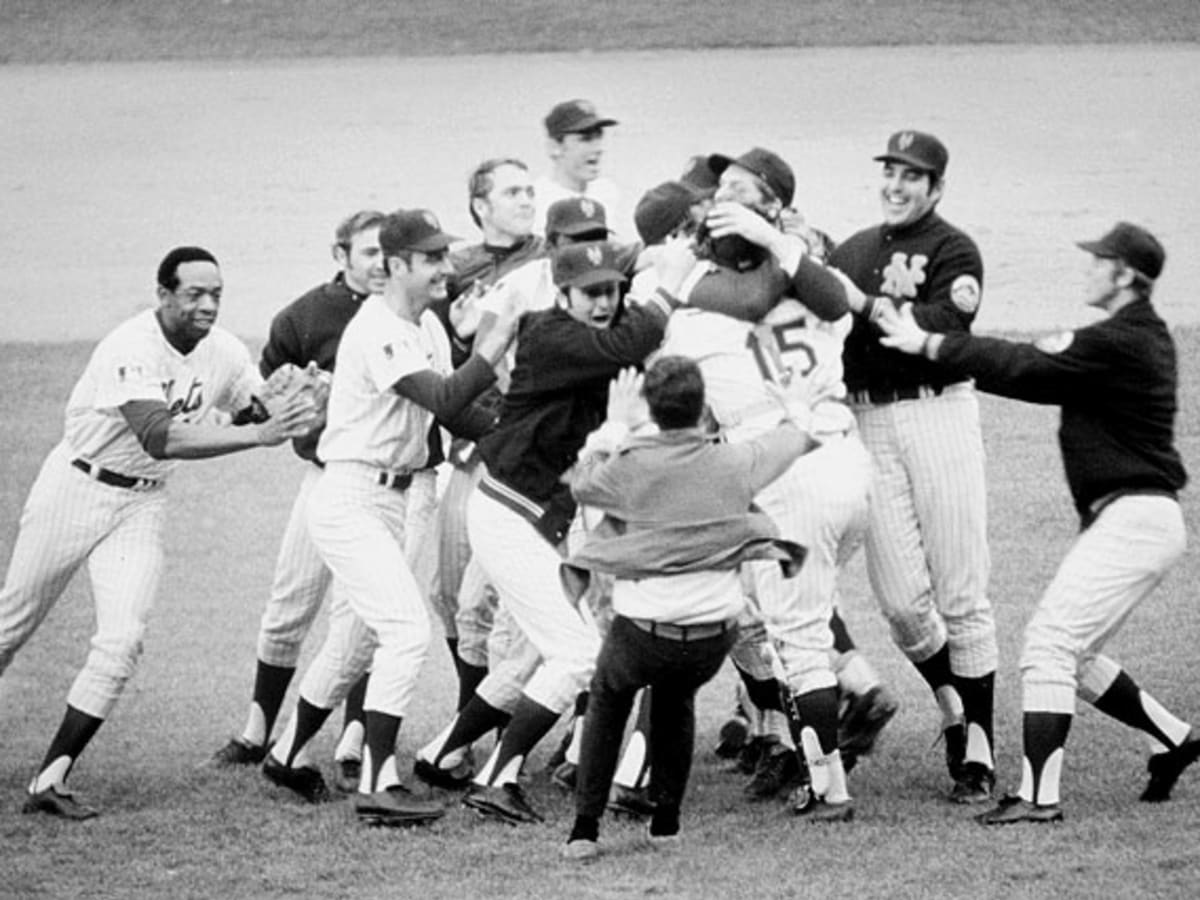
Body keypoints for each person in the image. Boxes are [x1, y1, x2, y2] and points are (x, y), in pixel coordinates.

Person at [877, 221, 1200, 824]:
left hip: (1134, 518)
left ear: (1124, 273)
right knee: (1072, 654)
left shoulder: (1119, 339)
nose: (1087, 268)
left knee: (1048, 645)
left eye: (1098, 260)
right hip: (1137, 519)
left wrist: (929, 344)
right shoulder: (1135, 340)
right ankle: (1174, 739)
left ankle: (1039, 798)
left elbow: (1024, 363)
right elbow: (1031, 376)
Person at [2, 246, 321, 819]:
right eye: (195, 293)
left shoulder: (223, 351)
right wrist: (261, 434)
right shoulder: (132, 347)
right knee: (11, 625)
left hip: (141, 505)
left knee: (122, 641)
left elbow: (252, 405)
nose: (208, 304)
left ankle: (50, 780)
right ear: (164, 294)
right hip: (75, 490)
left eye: (216, 294)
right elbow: (159, 437)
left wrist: (296, 396)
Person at [654, 149, 893, 815]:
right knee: (775, 616)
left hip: (786, 474)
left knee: (797, 640)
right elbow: (826, 292)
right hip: (843, 460)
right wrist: (778, 241)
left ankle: (828, 788)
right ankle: (840, 707)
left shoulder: (703, 311)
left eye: (740, 191)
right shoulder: (813, 286)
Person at [261, 209, 516, 827]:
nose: (445, 268)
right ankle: (380, 781)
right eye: (431, 259)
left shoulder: (423, 322)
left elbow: (454, 417)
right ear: (397, 266)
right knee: (405, 631)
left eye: (443, 256)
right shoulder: (377, 327)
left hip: (396, 497)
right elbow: (446, 396)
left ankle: (287, 753)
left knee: (359, 636)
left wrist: (519, 435)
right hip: (351, 495)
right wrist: (490, 348)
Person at [415, 240, 678, 825]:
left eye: (612, 289)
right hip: (507, 514)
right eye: (592, 293)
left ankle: (446, 753)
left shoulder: (586, 346)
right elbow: (635, 340)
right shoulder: (550, 335)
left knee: (543, 650)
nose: (605, 302)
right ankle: (497, 776)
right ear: (563, 295)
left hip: (533, 521)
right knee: (579, 653)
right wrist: (671, 281)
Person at [560, 358, 815, 860]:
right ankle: (666, 822)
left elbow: (581, 483)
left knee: (609, 699)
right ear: (704, 409)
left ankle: (584, 832)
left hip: (642, 634)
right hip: (711, 638)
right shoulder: (737, 462)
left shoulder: (630, 465)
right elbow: (793, 437)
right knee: (675, 699)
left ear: (651, 409)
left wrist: (615, 425)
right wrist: (794, 402)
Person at [829, 130, 998, 803]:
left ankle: (976, 750)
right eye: (891, 172)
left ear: (936, 187)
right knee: (901, 602)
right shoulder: (854, 247)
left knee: (961, 591)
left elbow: (943, 326)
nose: (896, 185)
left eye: (912, 175)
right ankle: (954, 700)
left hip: (939, 415)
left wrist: (864, 304)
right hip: (867, 420)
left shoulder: (954, 249)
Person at [210, 210, 395, 793]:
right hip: (326, 479)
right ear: (340, 255)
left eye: (389, 253)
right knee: (290, 603)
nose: (381, 264)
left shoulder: (411, 311)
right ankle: (256, 731)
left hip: (392, 484)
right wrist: (254, 412)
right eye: (369, 253)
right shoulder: (303, 316)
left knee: (363, 615)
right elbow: (264, 396)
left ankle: (351, 738)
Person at [532, 99, 621, 238]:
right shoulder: (536, 200)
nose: (598, 148)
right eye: (585, 139)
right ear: (555, 147)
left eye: (599, 137)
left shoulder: (606, 191)